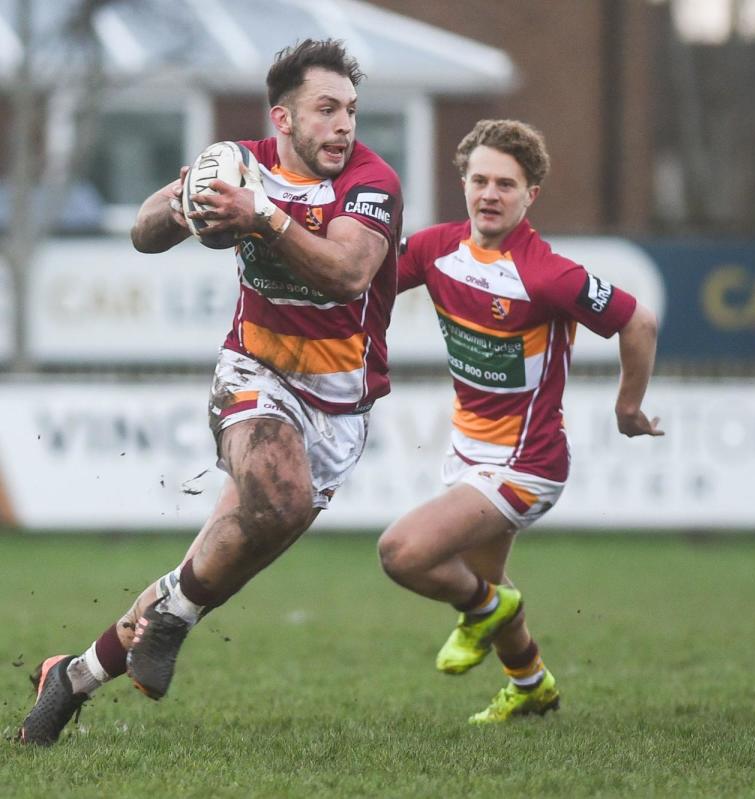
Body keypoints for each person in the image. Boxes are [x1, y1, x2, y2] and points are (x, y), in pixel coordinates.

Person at [19, 38, 402, 745]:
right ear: (283, 118)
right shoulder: (239, 163)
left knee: (209, 570)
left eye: (350, 109)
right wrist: (188, 205)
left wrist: (265, 217)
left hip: (340, 408)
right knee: (277, 495)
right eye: (326, 109)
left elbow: (349, 272)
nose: (344, 124)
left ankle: (71, 675)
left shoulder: (371, 183)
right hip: (254, 373)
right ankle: (168, 621)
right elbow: (142, 231)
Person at [377, 119, 662, 723]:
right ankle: (532, 687)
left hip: (526, 466)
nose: (489, 194)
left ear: (531, 194)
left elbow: (638, 323)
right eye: (479, 180)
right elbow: (363, 287)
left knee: (403, 553)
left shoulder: (546, 273)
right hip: (469, 452)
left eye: (505, 184)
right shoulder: (434, 249)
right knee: (485, 581)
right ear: (463, 183)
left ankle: (487, 610)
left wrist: (627, 405)